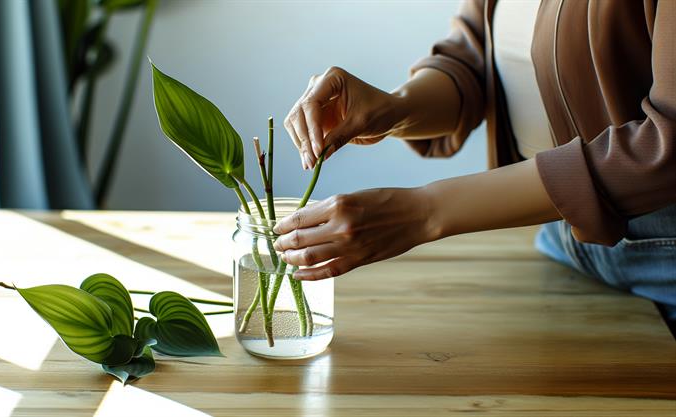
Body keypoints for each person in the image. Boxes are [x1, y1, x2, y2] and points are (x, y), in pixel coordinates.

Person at [271, 0, 676, 323]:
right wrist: (396, 107)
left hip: (666, 254)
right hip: (558, 241)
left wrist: (426, 211)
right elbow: (474, 58)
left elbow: (668, 146)